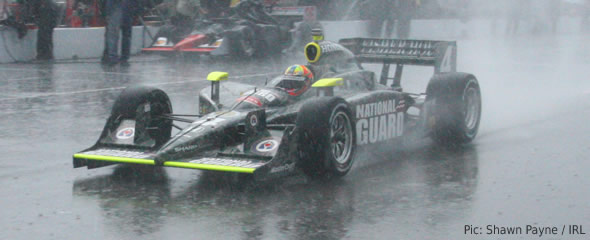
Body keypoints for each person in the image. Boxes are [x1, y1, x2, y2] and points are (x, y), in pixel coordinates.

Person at [102, 0, 143, 66]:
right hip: (129, 7)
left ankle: (112, 57)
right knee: (126, 34)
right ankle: (125, 56)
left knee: (113, 34)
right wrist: (138, 10)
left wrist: (106, 12)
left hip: (115, 7)